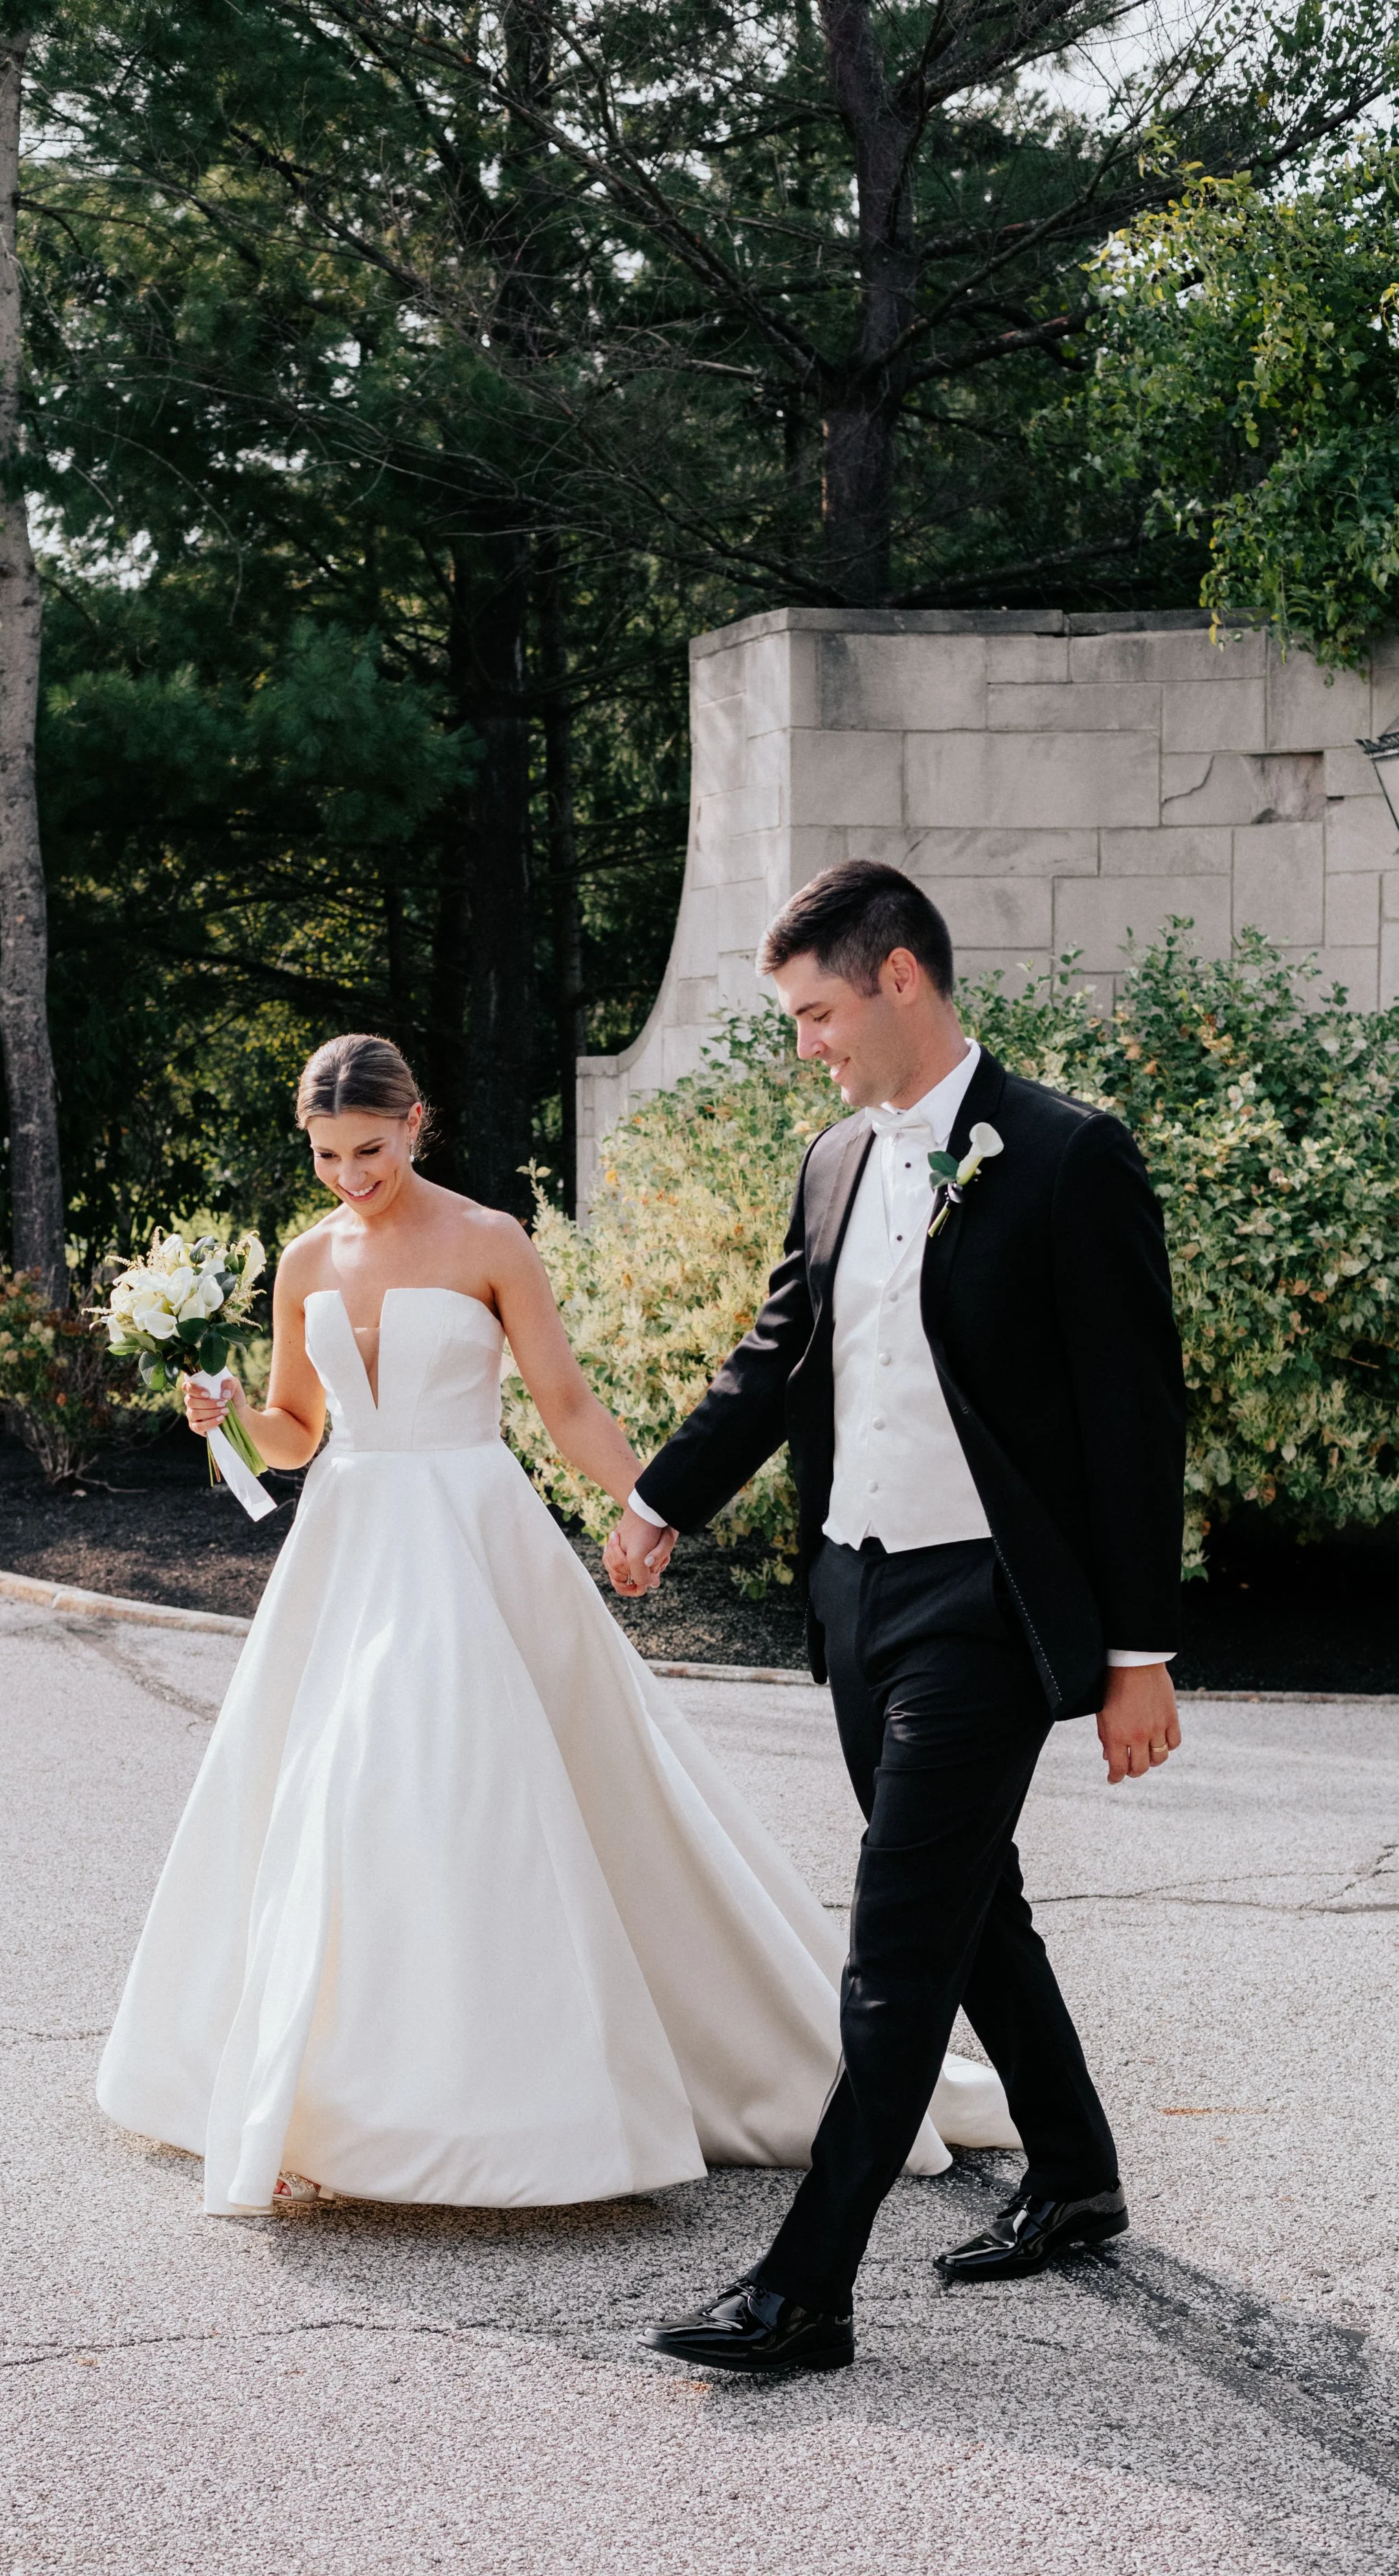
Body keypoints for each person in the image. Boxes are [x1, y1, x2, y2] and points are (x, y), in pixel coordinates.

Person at [96, 1030, 1016, 2216]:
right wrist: (219, 1415)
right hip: (352, 1550)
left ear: (417, 1121)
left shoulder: (489, 1240)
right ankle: (333, 2095)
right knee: (343, 1792)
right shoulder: (304, 1258)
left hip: (475, 1543)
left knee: (483, 1787)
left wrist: (648, 1507)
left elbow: (564, 1400)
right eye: (326, 1155)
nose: (348, 1176)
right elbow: (296, 1430)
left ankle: (520, 2098)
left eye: (368, 1149)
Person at [607, 860, 1187, 2374]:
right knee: (965, 1898)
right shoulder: (835, 1159)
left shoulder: (1064, 1157)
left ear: (900, 981)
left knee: (895, 1934)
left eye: (814, 1013)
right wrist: (666, 1498)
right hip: (857, 1588)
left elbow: (1133, 1422)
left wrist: (1137, 1656)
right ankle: (1073, 2171)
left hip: (986, 1602)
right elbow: (777, 1349)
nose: (804, 1042)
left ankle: (806, 2286)